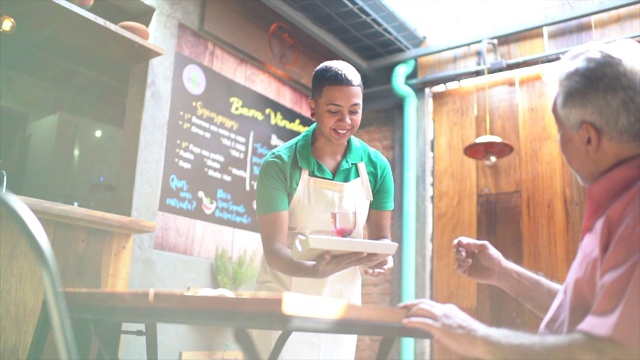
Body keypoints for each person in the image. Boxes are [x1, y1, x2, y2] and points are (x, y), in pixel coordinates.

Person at [400, 39, 640, 359]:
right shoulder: (619, 202)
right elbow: (587, 317)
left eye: (559, 130)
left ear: (588, 137)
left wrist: (474, 336)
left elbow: (612, 351)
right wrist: (504, 274)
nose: (559, 143)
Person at [252, 60, 395, 359]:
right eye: (333, 111)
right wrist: (314, 271)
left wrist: (382, 259)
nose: (345, 121)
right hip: (283, 303)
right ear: (313, 108)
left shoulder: (376, 167)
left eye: (354, 111)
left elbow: (382, 238)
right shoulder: (280, 164)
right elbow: (275, 251)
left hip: (340, 305)